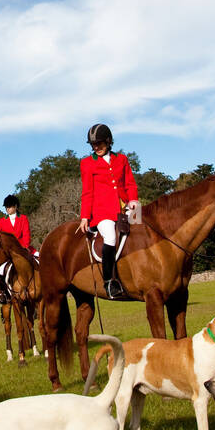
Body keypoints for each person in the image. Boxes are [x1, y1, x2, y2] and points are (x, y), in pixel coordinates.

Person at [77, 123, 139, 299]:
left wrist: (133, 200)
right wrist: (84, 217)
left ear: (109, 141)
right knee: (111, 236)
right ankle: (109, 282)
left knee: (144, 228)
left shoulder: (122, 159)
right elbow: (87, 192)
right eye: (93, 144)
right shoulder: (87, 163)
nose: (96, 147)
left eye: (99, 143)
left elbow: (130, 183)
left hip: (126, 205)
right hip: (102, 211)